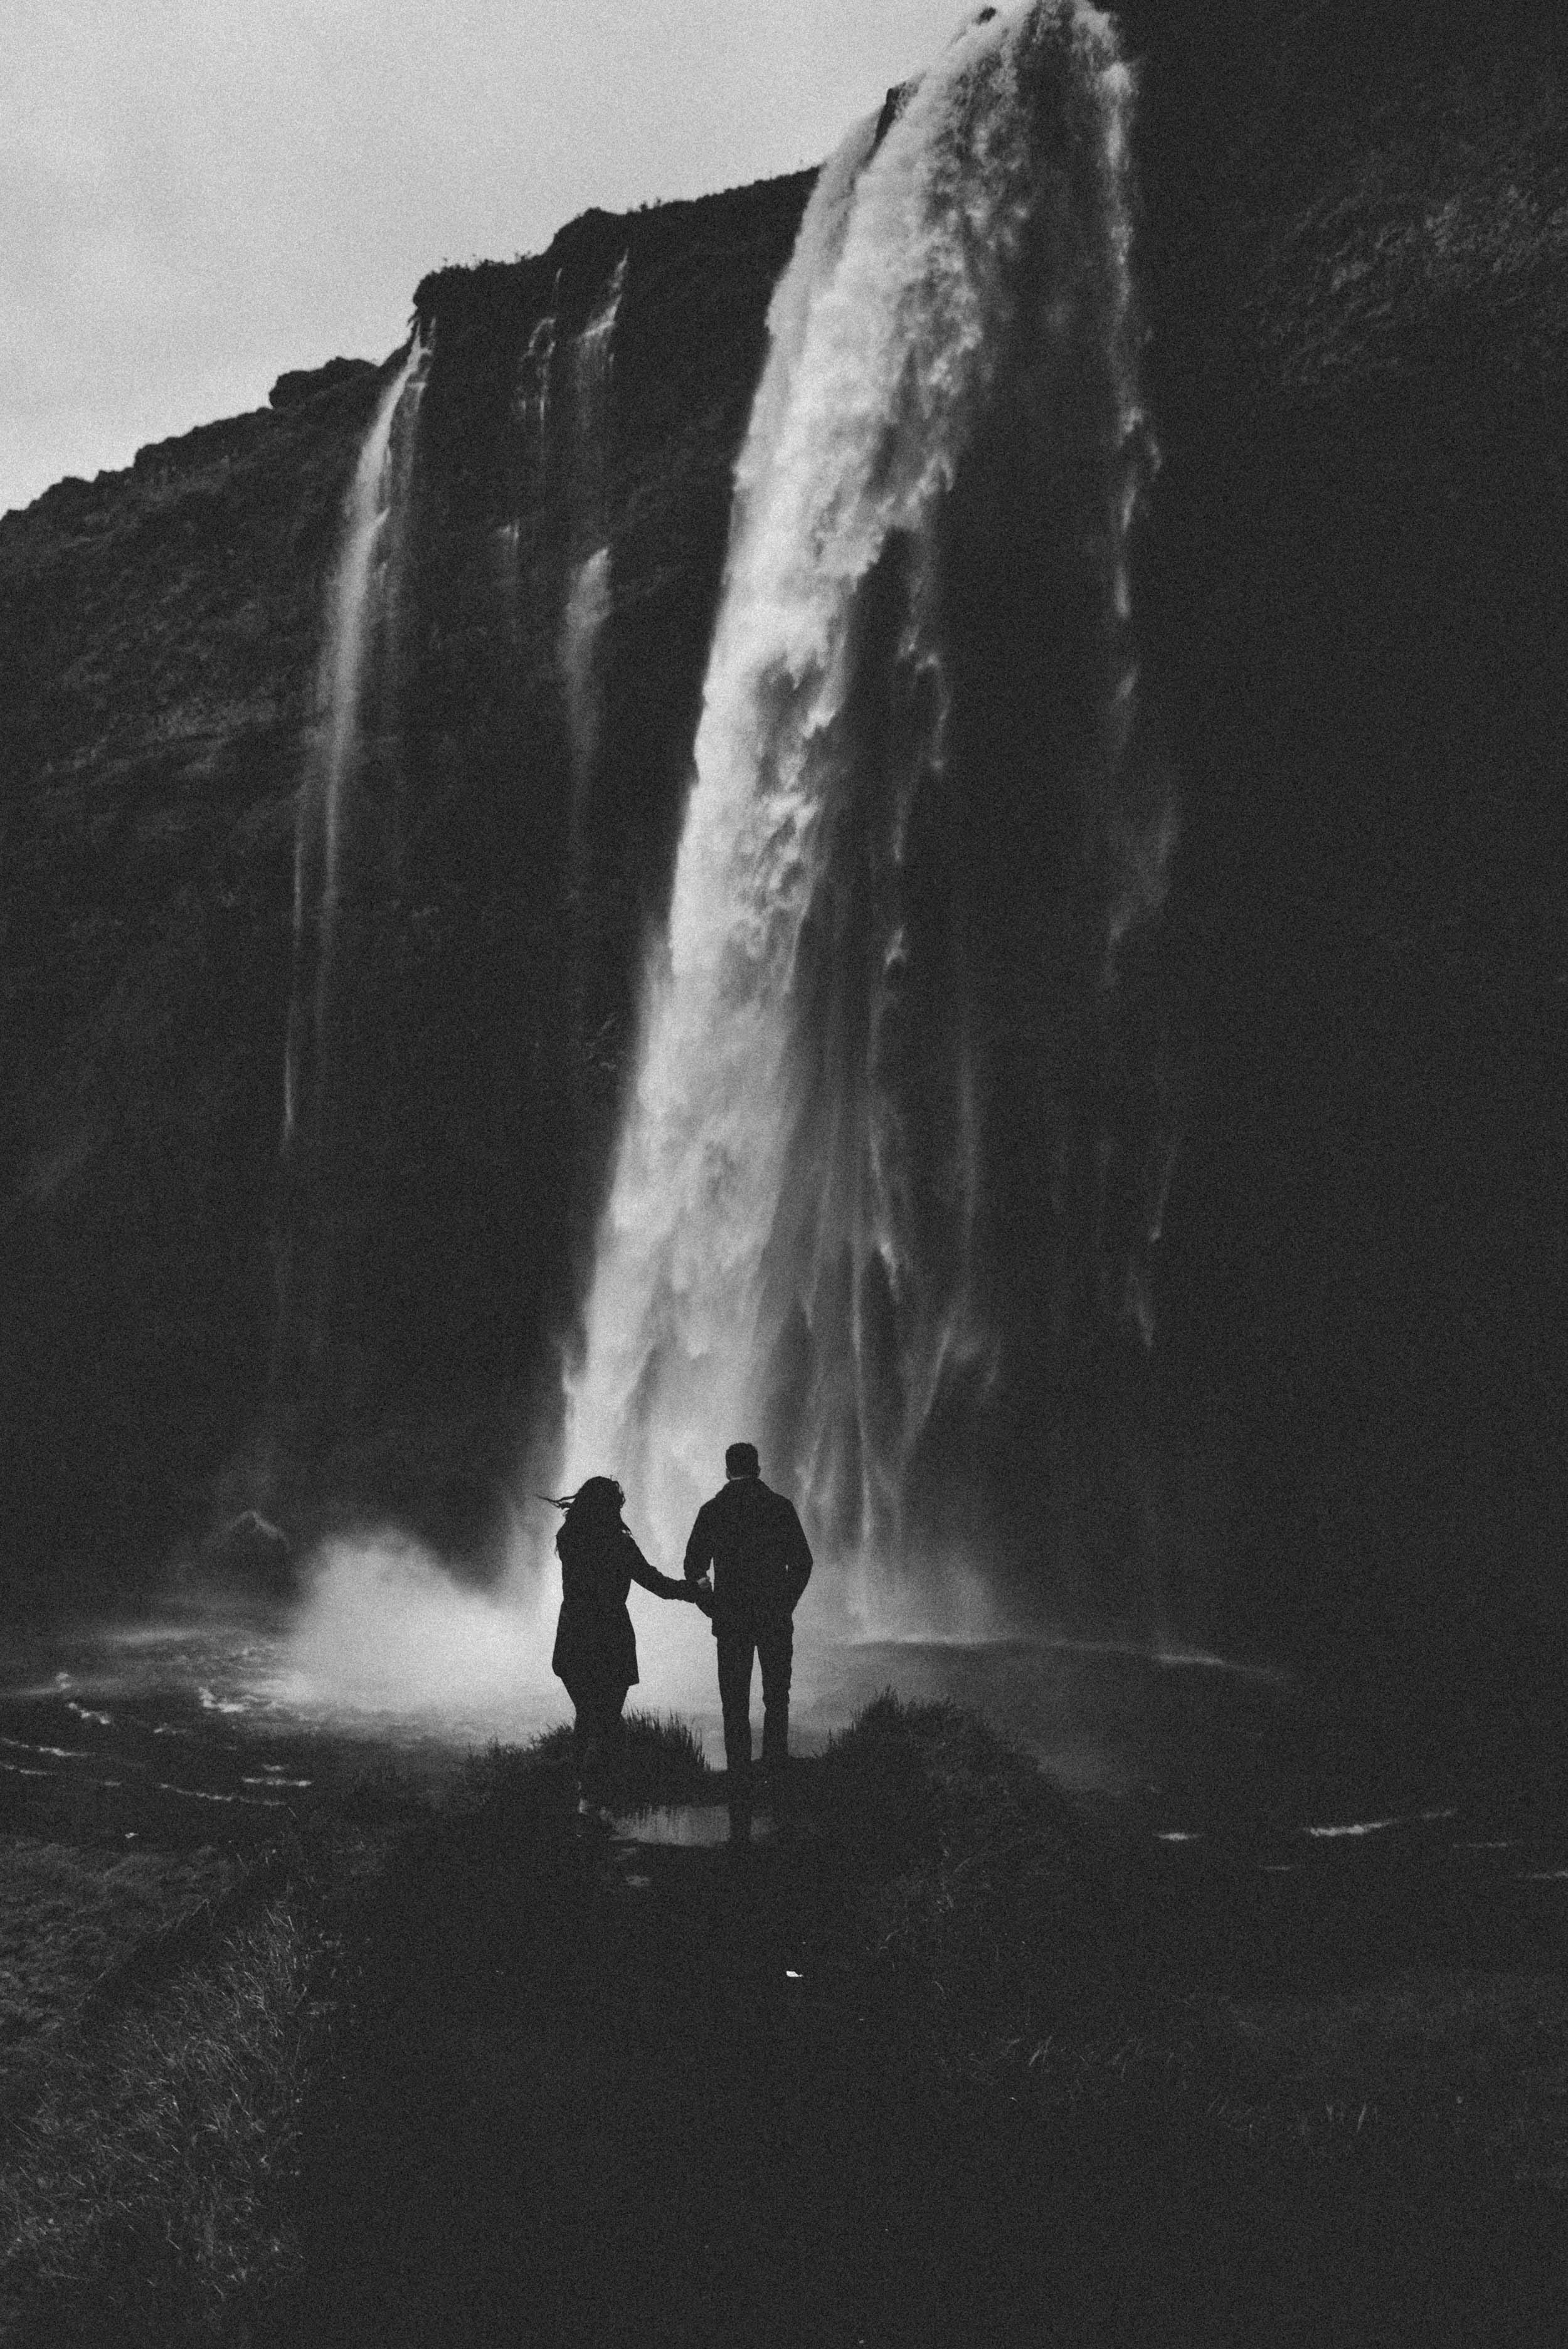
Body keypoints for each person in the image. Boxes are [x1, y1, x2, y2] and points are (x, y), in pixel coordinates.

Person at [548, 1475, 707, 1821]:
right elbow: (657, 1584)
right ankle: (591, 1802)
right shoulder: (619, 1545)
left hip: (573, 1636)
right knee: (605, 1722)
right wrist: (694, 1590)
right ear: (611, 1508)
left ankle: (584, 1792)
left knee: (587, 1717)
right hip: (610, 1638)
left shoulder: (569, 1538)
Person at [683, 1442, 812, 1835]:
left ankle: (739, 1779)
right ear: (757, 1468)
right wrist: (786, 1603)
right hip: (773, 1617)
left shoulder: (713, 1510)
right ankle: (774, 1771)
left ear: (727, 1471)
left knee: (734, 1701)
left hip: (732, 1620)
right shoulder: (780, 1507)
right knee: (777, 1696)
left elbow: (693, 1566)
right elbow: (803, 1562)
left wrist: (711, 1605)